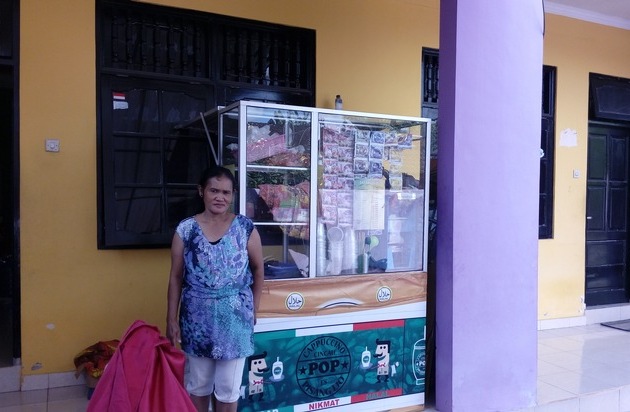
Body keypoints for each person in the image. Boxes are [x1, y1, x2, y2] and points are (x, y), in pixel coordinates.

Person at [167, 166, 264, 412]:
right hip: (196, 321)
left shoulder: (245, 228)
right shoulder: (186, 230)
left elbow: (258, 270)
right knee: (198, 385)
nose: (220, 197)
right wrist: (171, 319)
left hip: (235, 321)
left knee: (228, 388)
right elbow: (176, 277)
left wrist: (254, 308)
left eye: (226, 192)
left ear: (232, 195)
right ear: (202, 191)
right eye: (214, 191)